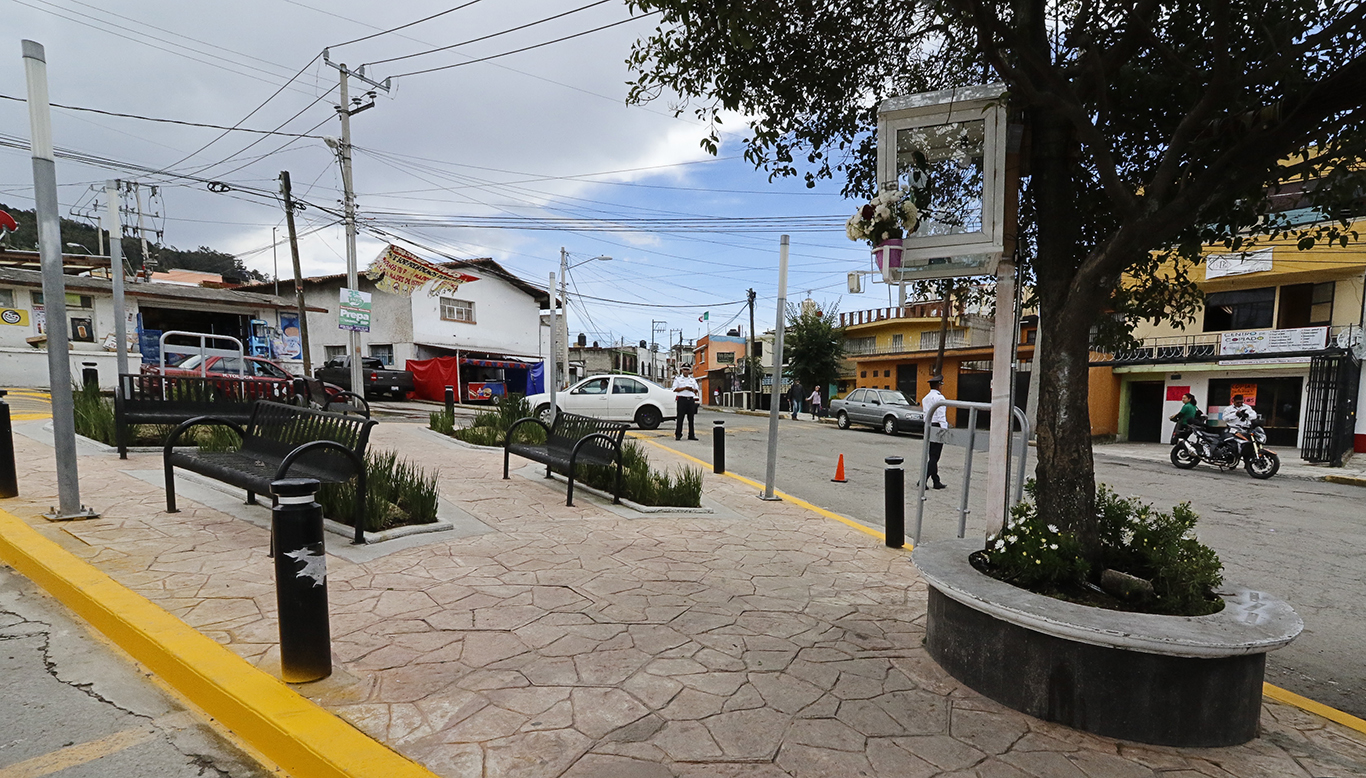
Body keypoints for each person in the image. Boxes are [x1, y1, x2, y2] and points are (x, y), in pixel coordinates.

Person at [920, 376, 948, 490]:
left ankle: (936, 481)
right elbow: (941, 415)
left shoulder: (925, 398)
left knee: (932, 455)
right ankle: (923, 480)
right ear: (939, 385)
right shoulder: (939, 398)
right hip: (937, 426)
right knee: (935, 456)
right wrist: (944, 429)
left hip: (928, 426)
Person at [672, 366, 700, 440]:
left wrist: (692, 389)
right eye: (684, 369)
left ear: (689, 371)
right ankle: (678, 434)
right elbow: (674, 389)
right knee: (680, 418)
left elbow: (696, 389)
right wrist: (684, 388)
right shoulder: (678, 379)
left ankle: (691, 435)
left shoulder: (692, 379)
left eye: (687, 370)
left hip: (690, 400)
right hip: (682, 399)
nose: (686, 371)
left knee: (691, 418)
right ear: (682, 370)